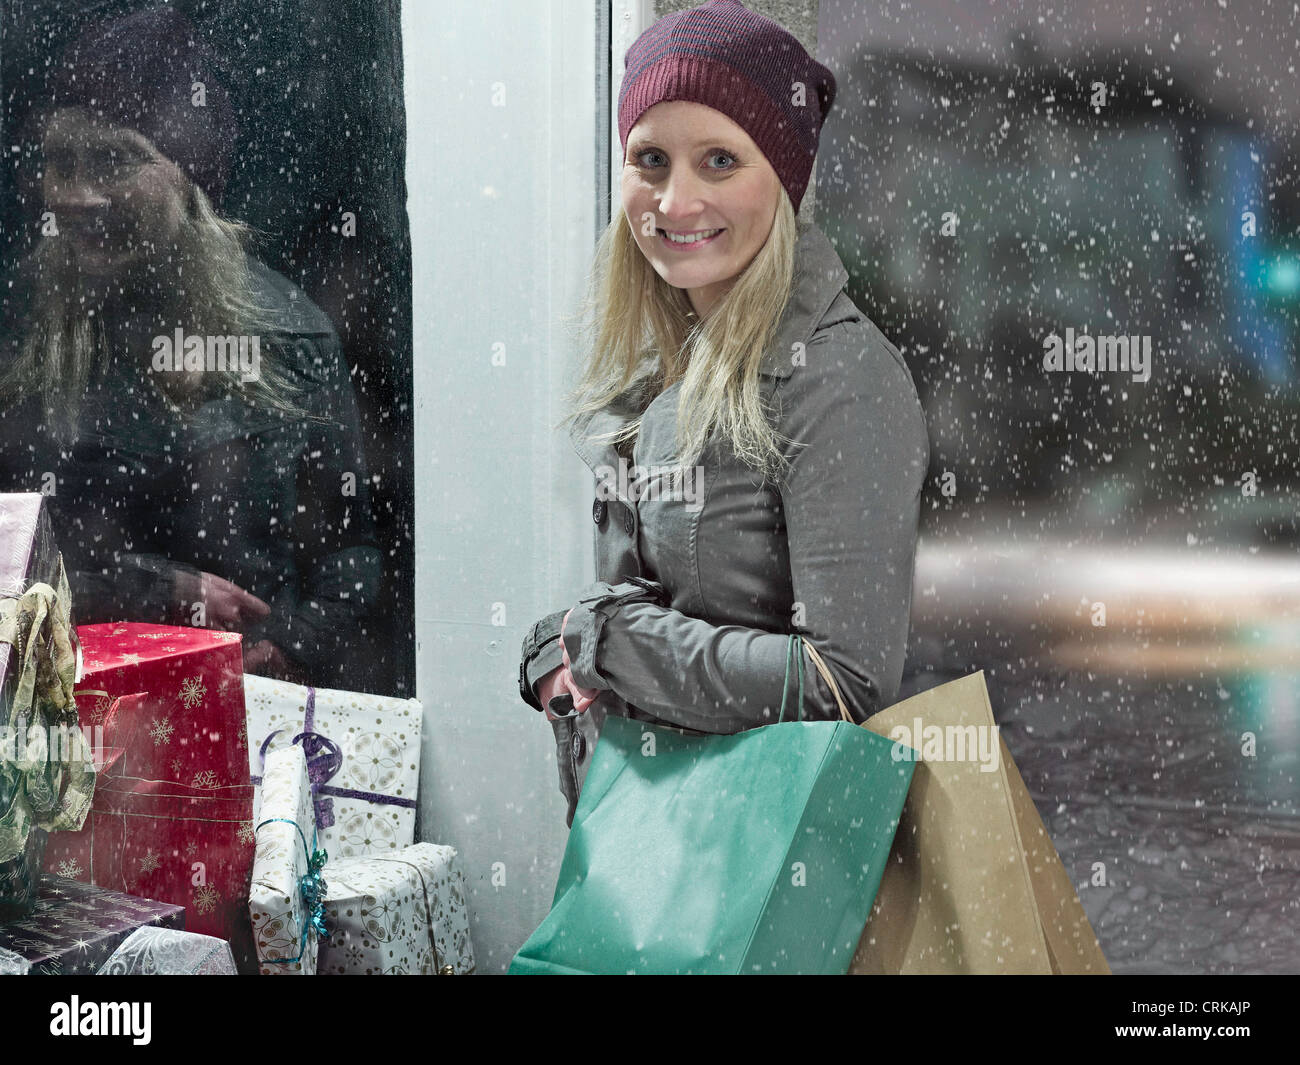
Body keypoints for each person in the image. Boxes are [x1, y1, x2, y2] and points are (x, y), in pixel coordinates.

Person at [518, 0, 931, 826]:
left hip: (773, 872)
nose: (675, 201)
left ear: (781, 175)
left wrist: (603, 642)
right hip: (662, 850)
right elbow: (642, 597)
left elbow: (840, 684)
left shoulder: (839, 376)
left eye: (718, 160)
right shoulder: (663, 364)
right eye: (650, 159)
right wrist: (554, 645)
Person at [0, 7, 381, 686]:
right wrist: (157, 590)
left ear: (189, 174)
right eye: (61, 163)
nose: (80, 195)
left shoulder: (289, 336)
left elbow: (352, 550)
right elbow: (13, 552)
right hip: (62, 710)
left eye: (114, 160)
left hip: (247, 708)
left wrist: (294, 648)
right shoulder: (20, 331)